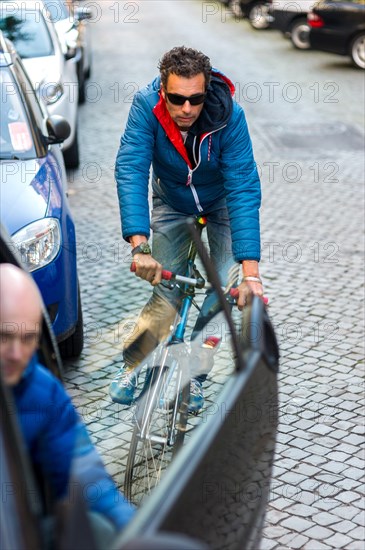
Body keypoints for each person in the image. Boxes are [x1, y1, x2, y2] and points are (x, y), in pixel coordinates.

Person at [110, 46, 263, 412]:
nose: (187, 109)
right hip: (172, 203)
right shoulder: (146, 106)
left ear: (207, 91)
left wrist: (251, 275)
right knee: (167, 291)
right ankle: (133, 364)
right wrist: (139, 245)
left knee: (224, 295)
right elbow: (131, 168)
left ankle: (193, 374)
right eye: (177, 99)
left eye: (195, 99)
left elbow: (243, 185)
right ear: (163, 90)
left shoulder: (231, 116)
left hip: (221, 202)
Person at [0, 263, 135, 549]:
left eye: (28, 339)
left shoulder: (42, 392)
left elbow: (84, 473)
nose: (16, 354)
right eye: (4, 337)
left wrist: (134, 533)